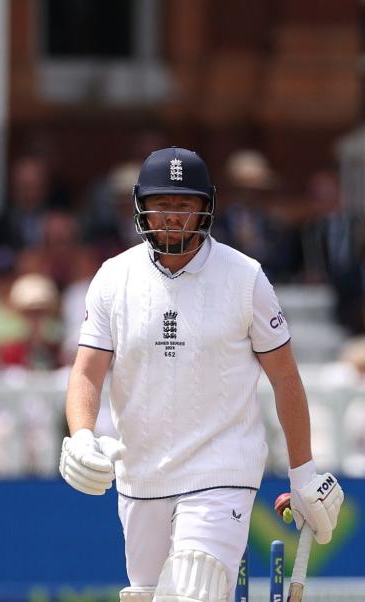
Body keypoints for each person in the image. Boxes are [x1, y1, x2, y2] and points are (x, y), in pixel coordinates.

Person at [58, 147, 345, 602]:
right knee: (150, 595)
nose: (172, 217)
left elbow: (286, 378)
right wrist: (82, 435)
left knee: (193, 591)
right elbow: (87, 372)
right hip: (142, 474)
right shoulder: (114, 278)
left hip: (221, 469)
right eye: (162, 205)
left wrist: (303, 473)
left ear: (204, 209)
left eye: (184, 206)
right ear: (140, 207)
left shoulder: (245, 277)